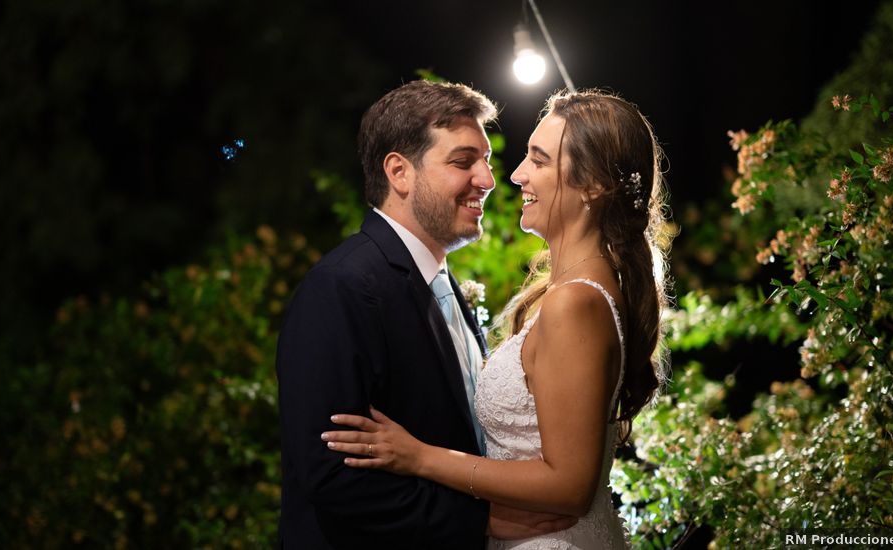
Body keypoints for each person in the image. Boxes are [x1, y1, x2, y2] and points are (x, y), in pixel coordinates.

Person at [322, 89, 670, 549]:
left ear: (594, 186)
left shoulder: (575, 304)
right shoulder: (569, 294)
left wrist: (420, 457)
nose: (516, 175)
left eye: (540, 161)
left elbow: (569, 485)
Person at [277, 80, 575, 550]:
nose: (487, 179)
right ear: (399, 172)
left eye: (487, 161)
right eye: (462, 162)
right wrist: (479, 521)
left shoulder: (443, 283)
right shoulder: (341, 287)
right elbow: (332, 474)